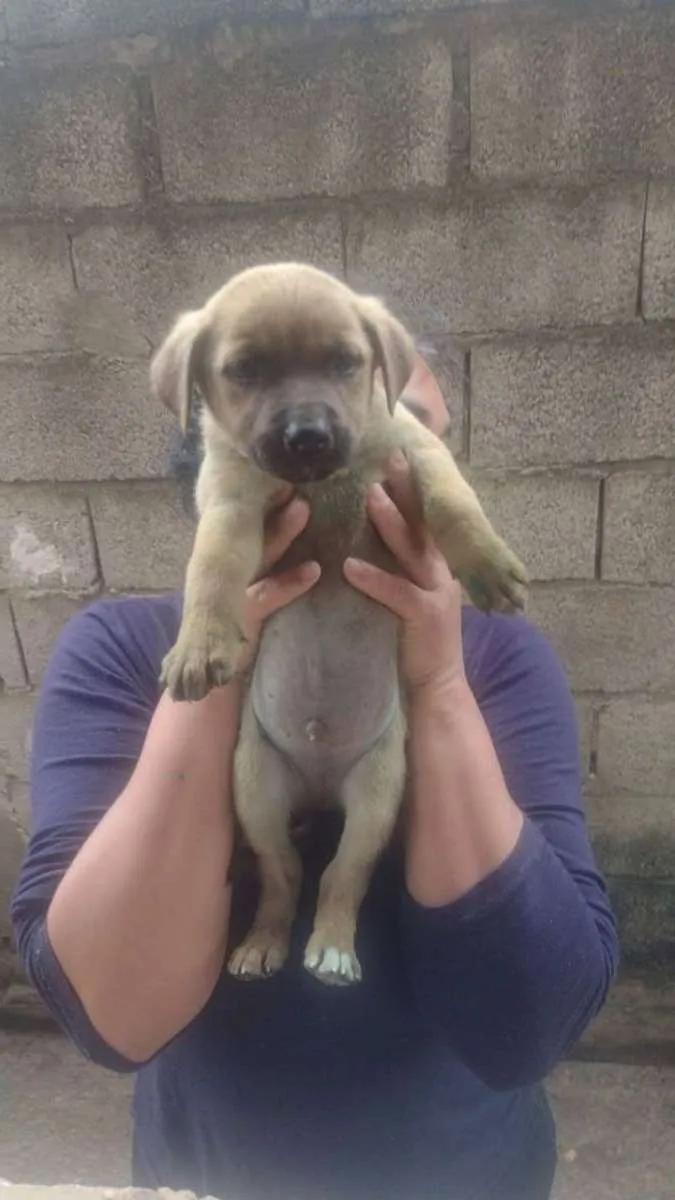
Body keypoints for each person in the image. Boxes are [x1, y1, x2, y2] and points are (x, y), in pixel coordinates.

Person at [11, 351, 619, 1200]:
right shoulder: (119, 653)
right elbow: (113, 1017)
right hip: (214, 1176)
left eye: (407, 433)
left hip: (463, 1174)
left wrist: (437, 691)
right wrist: (221, 642)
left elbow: (532, 1022)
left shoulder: (496, 656)